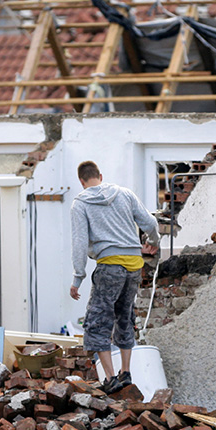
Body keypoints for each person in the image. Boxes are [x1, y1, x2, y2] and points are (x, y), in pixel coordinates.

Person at [70, 160, 159, 395]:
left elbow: (79, 243)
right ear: (101, 175)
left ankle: (110, 378)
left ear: (82, 181)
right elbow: (149, 222)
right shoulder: (125, 194)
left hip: (109, 266)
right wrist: (153, 241)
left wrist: (78, 277)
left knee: (98, 320)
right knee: (125, 316)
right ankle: (126, 371)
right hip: (134, 267)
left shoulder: (80, 203)